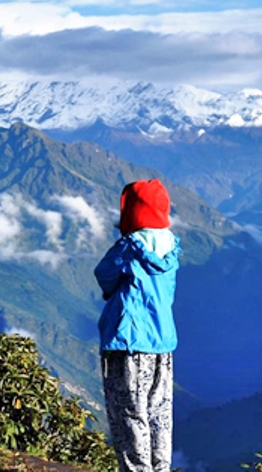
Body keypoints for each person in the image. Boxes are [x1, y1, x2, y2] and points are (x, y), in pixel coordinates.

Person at [95, 179, 180, 472]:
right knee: (159, 414)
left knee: (130, 414)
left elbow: (104, 274)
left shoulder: (128, 248)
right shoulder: (171, 248)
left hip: (129, 345)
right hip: (162, 345)